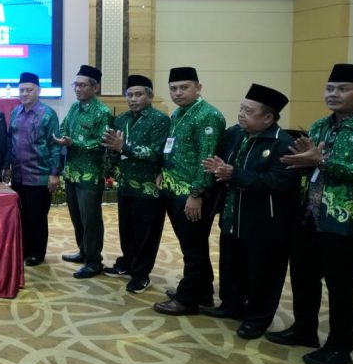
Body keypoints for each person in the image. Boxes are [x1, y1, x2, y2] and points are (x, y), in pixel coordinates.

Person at [271, 63, 353, 364]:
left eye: (343, 89)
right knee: (304, 276)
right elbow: (311, 164)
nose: (333, 94)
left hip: (348, 221)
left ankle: (339, 347)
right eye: (330, 88)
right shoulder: (320, 124)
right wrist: (298, 162)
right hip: (310, 214)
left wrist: (323, 161)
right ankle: (304, 330)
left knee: (342, 285)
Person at [201, 84, 298, 339]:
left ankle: (257, 319)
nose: (241, 114)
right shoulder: (235, 133)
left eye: (248, 111)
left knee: (263, 272)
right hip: (233, 214)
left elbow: (280, 182)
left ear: (268, 117)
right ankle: (231, 305)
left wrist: (235, 174)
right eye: (241, 108)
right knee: (231, 264)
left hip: (265, 221)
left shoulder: (283, 144)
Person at [152, 67, 225, 316]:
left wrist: (196, 195)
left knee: (194, 248)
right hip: (174, 190)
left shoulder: (208, 116)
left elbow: (207, 159)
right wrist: (163, 170)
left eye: (184, 87)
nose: (178, 93)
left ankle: (188, 300)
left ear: (198, 88)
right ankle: (202, 291)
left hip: (192, 196)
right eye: (173, 88)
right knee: (190, 246)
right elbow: (172, 148)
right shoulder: (179, 113)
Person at [101, 74, 169, 294]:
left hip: (149, 188)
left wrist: (124, 148)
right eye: (129, 95)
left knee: (146, 233)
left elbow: (156, 152)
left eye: (138, 94)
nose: (133, 99)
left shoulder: (160, 120)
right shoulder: (121, 119)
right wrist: (112, 155)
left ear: (149, 96)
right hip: (126, 185)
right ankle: (128, 263)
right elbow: (112, 149)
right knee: (126, 229)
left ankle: (141, 275)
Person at [54, 64, 112, 279]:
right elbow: (64, 127)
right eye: (75, 85)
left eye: (82, 85)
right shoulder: (74, 108)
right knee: (77, 217)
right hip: (72, 172)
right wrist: (62, 137)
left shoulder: (103, 112)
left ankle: (94, 261)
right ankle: (83, 251)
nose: (77, 89)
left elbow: (102, 142)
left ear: (95, 88)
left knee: (91, 220)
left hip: (90, 175)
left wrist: (74, 143)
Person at [7, 72, 62, 265]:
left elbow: (55, 145)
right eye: (22, 90)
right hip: (19, 175)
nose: (24, 94)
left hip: (39, 175)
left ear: (38, 91)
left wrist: (54, 173)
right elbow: (10, 141)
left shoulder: (48, 114)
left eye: (29, 90)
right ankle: (24, 249)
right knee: (21, 216)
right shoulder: (15, 112)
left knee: (37, 216)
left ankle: (37, 253)